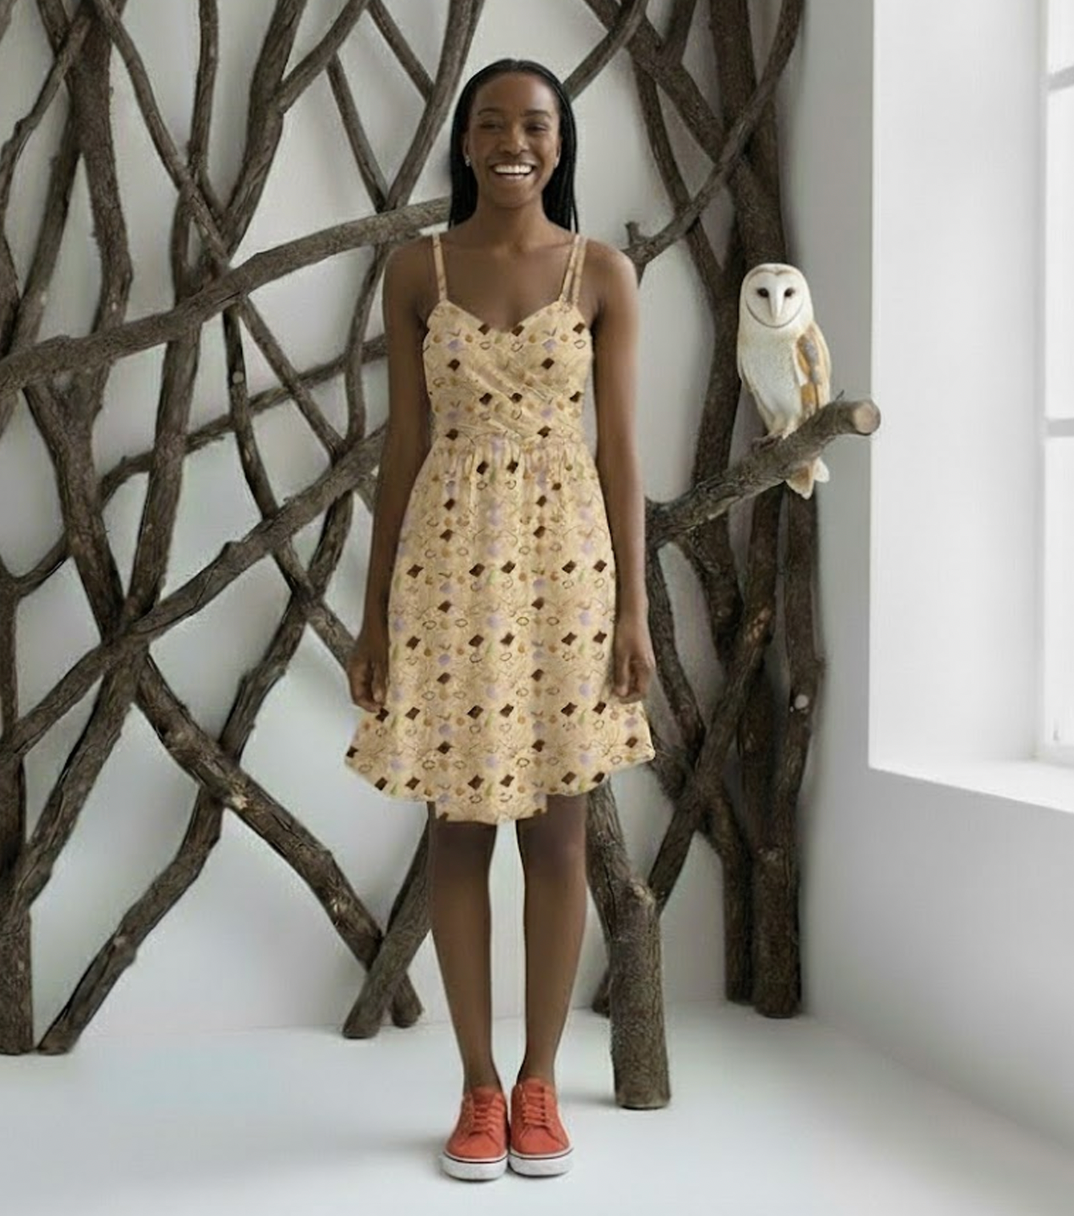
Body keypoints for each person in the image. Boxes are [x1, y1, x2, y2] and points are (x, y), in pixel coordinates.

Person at [344, 57, 656, 1182]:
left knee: (561, 834)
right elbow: (401, 445)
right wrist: (373, 612)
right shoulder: (416, 269)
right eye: (491, 123)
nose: (513, 141)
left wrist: (634, 609)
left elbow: (621, 455)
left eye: (535, 124)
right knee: (459, 827)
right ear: (465, 142)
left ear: (561, 143)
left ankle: (539, 1082)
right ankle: (478, 1087)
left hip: (568, 573)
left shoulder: (603, 272)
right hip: (446, 573)